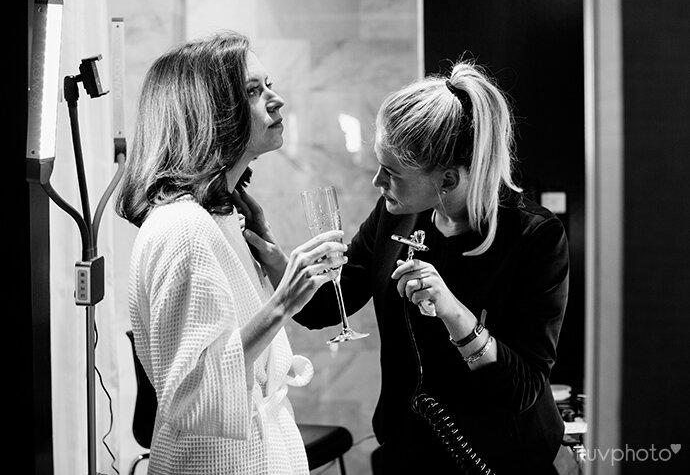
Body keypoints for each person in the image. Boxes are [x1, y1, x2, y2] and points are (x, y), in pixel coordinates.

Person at [238, 61, 569, 474]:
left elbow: (524, 389)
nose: (377, 181)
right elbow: (323, 311)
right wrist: (272, 254)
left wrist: (455, 313)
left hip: (502, 459)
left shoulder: (535, 237)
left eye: (391, 172)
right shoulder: (395, 215)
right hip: (409, 453)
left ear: (447, 179)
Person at [116, 31, 348, 475]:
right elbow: (193, 393)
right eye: (253, 91)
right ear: (211, 113)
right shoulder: (182, 228)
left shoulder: (219, 221)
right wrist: (283, 302)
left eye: (269, 84)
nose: (275, 99)